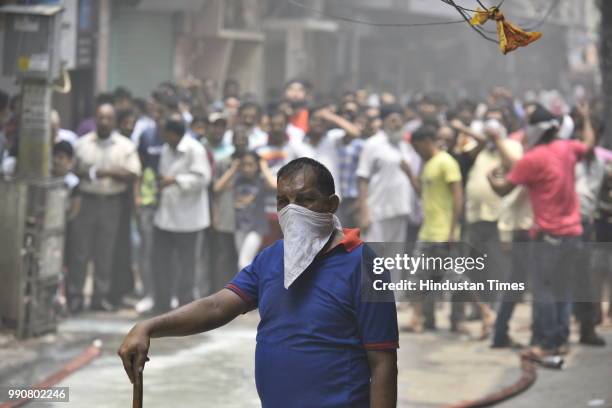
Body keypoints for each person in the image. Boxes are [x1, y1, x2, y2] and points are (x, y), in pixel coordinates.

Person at [118, 158, 399, 408]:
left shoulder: (365, 264)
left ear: (331, 204)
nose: (292, 211)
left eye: (305, 200)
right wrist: (148, 327)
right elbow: (217, 306)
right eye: (283, 202)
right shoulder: (272, 258)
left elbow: (383, 363)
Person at [488, 103, 604, 358]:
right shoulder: (567, 149)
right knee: (563, 290)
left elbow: (503, 190)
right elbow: (589, 144)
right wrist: (585, 118)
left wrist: (490, 178)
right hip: (573, 232)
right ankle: (561, 340)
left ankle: (547, 345)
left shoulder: (532, 159)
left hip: (548, 237)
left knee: (545, 291)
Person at [402, 126, 495, 336]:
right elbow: (422, 194)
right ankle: (416, 318)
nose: (417, 152)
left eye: (417, 148)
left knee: (455, 277)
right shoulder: (428, 165)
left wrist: (452, 230)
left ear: (427, 141)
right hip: (427, 230)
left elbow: (457, 196)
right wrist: (409, 175)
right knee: (418, 276)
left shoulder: (446, 162)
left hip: (442, 231)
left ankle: (486, 311)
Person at [68, 103, 141, 313]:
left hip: (112, 203)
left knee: (105, 252)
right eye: (100, 118)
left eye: (109, 118)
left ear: (114, 121)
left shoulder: (125, 146)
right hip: (85, 201)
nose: (104, 122)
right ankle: (75, 295)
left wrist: (108, 172)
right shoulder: (81, 144)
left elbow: (133, 173)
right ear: (95, 119)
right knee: (80, 251)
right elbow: (72, 169)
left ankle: (100, 297)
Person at [152, 116, 211, 313]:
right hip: (166, 215)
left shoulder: (195, 149)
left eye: (166, 134)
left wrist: (176, 180)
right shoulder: (166, 149)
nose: (163, 137)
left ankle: (185, 305)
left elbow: (203, 178)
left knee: (187, 265)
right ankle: (162, 303)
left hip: (189, 218)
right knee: (161, 261)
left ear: (174, 134)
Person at [356, 104, 421, 243]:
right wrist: (364, 212)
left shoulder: (405, 146)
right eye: (393, 120)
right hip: (377, 211)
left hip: (401, 210)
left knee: (393, 261)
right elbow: (363, 178)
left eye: (400, 120)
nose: (397, 124)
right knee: (373, 259)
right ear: (384, 121)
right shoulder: (373, 144)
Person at [214, 151, 276, 270]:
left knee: (244, 263)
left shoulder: (261, 180)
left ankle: (245, 288)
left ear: (256, 165)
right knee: (244, 263)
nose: (247, 168)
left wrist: (263, 166)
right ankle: (251, 287)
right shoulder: (237, 180)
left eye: (251, 165)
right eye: (244, 165)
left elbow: (274, 185)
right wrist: (233, 169)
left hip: (256, 228)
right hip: (240, 227)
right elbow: (217, 188)